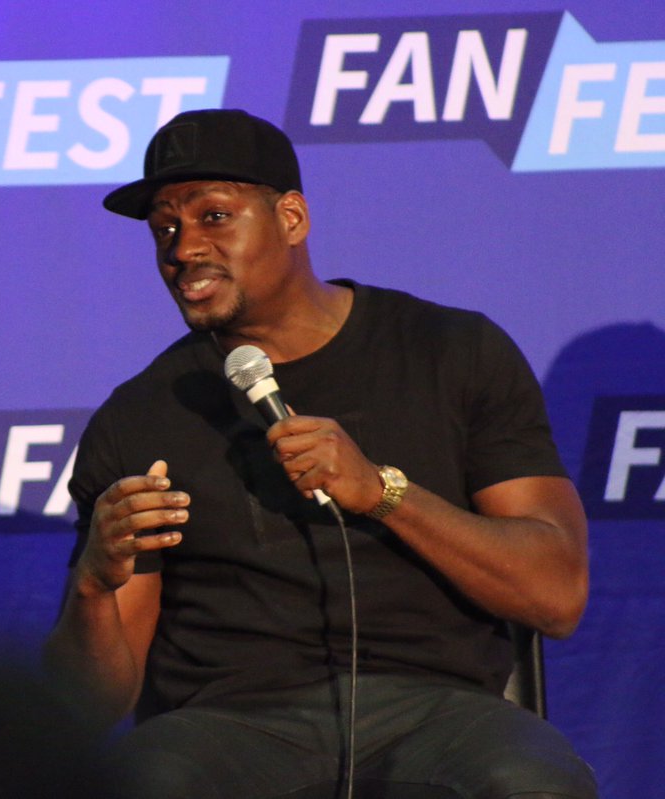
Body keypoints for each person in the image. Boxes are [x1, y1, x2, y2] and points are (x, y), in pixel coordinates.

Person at [45, 109, 597, 798]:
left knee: (530, 782)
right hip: (226, 725)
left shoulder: (454, 354)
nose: (182, 247)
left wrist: (386, 493)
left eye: (213, 217)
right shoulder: (139, 418)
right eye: (165, 228)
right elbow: (87, 707)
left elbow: (557, 594)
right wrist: (95, 583)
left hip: (437, 711)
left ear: (292, 219)